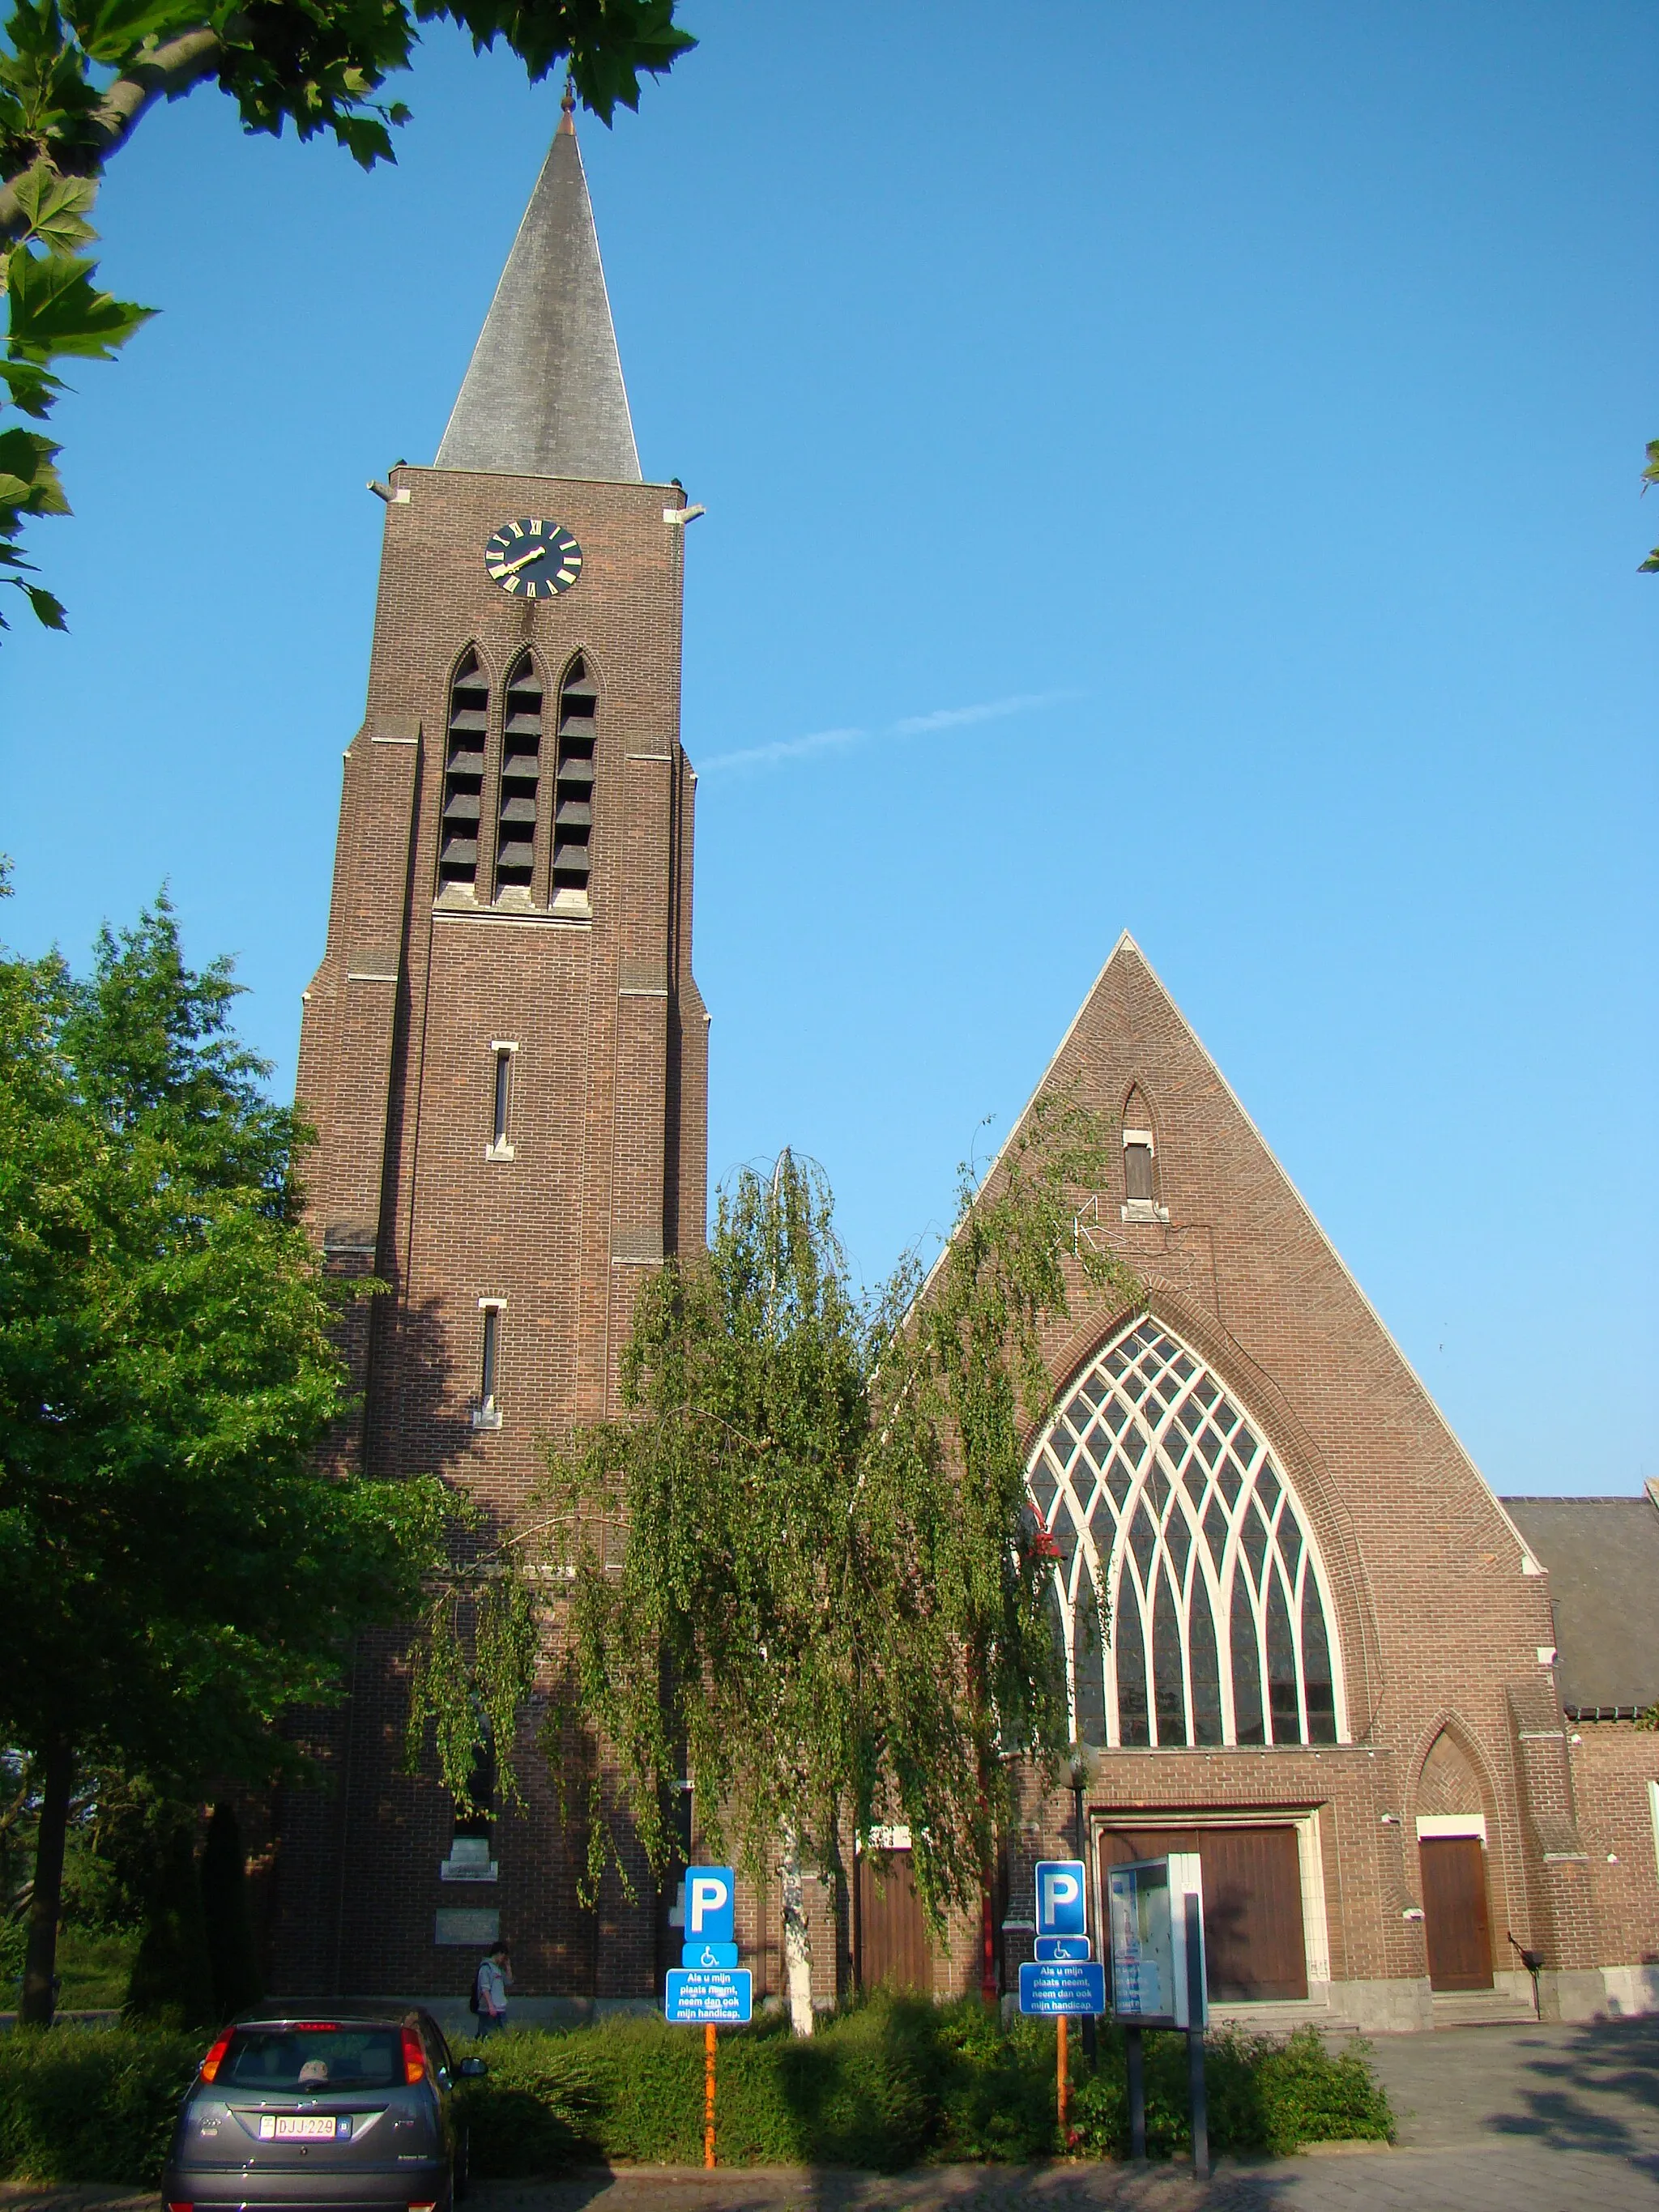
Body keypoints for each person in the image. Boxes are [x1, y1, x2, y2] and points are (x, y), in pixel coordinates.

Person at [473, 1941, 512, 2036]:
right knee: (488, 2036)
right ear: (499, 1953)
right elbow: (485, 1988)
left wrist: (508, 1966)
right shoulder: (486, 1968)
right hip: (489, 2010)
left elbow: (508, 1981)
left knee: (502, 2037)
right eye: (503, 1956)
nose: (503, 1959)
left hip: (500, 2009)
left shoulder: (498, 1969)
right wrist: (490, 2006)